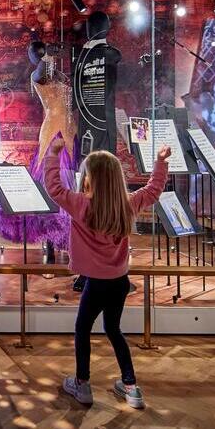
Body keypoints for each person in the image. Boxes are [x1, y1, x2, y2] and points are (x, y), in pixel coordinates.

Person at [44, 134, 169, 410]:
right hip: (119, 282)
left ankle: (82, 383)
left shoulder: (80, 205)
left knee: (82, 329)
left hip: (95, 284)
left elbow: (53, 187)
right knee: (113, 329)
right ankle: (131, 387)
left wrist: (53, 154)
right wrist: (160, 162)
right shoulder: (127, 203)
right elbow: (153, 190)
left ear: (88, 179)